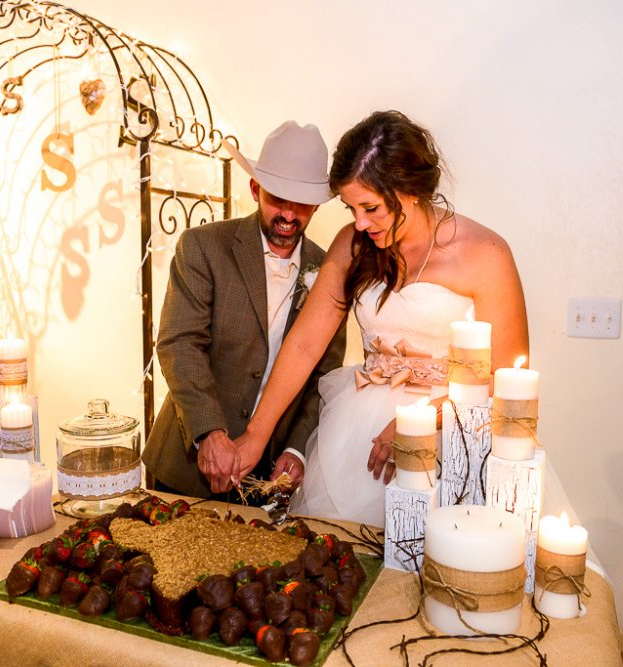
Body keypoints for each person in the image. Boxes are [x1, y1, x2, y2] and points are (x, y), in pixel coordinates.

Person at [234, 110, 528, 526]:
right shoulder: (352, 246)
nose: (359, 223)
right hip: (359, 428)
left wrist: (419, 422)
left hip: (454, 430)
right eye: (351, 208)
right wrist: (255, 435)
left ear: (409, 190)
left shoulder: (486, 254)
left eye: (370, 208)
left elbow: (504, 375)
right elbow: (303, 345)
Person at [142, 121, 346, 499]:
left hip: (266, 480)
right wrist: (209, 433)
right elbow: (180, 344)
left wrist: (296, 449)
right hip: (185, 469)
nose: (288, 214)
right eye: (276, 198)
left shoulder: (330, 270)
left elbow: (324, 376)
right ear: (255, 189)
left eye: (301, 203)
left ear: (317, 204)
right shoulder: (202, 247)